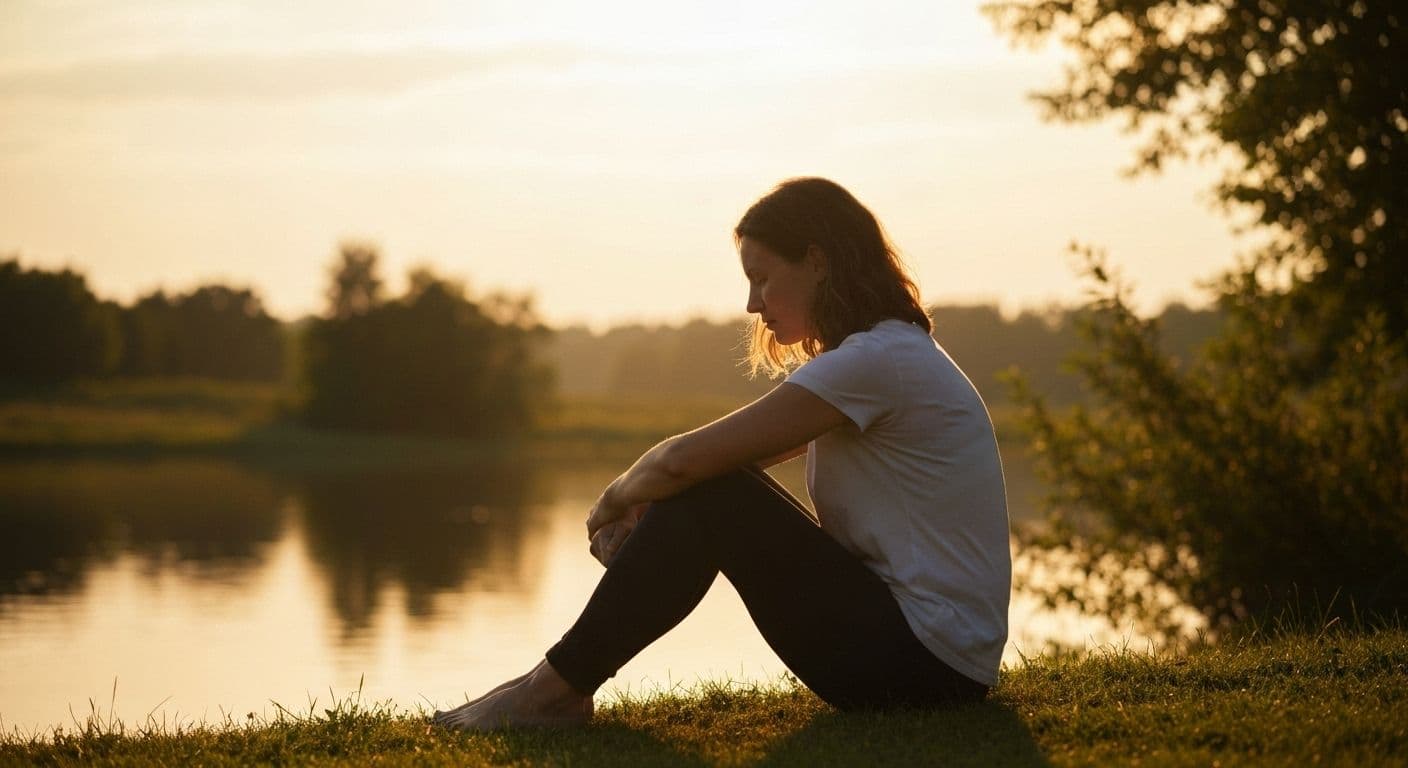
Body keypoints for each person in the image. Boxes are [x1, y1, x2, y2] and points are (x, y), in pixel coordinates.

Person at [434, 177, 1011, 729]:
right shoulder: (886, 357)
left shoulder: (877, 361)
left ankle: (550, 693)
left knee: (714, 491)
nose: (752, 304)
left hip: (925, 667)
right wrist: (656, 501)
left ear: (816, 261)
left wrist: (616, 498)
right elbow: (721, 461)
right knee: (714, 485)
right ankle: (552, 684)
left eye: (761, 279)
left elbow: (685, 463)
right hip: (930, 660)